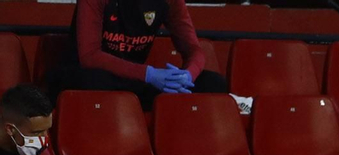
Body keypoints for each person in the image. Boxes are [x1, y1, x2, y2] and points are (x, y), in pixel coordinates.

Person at [47, 0, 229, 110]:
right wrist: (148, 74)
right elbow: (90, 56)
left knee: (214, 83)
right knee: (94, 80)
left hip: (134, 82)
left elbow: (195, 51)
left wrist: (187, 75)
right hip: (86, 78)